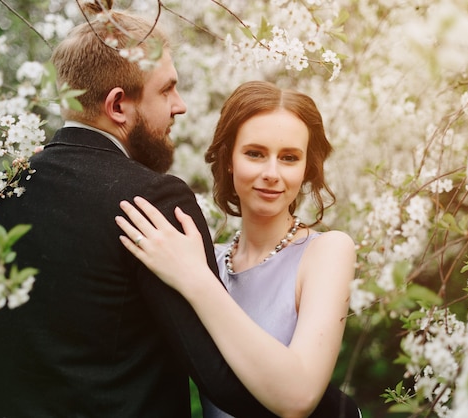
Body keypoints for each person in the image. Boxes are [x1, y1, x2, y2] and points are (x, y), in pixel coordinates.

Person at [0, 6, 280, 417]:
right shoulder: (154, 203)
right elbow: (224, 380)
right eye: (166, 90)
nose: (179, 106)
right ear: (118, 106)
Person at [116, 80, 361, 418]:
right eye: (255, 154)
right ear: (229, 158)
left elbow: (299, 396)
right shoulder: (206, 260)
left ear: (306, 168)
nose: (272, 173)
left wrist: (197, 281)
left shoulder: (327, 252)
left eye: (289, 158)